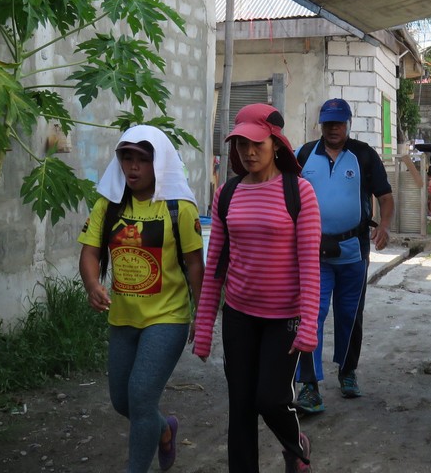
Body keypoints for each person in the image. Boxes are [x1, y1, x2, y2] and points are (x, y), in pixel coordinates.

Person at [193, 103, 321, 473]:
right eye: (241, 144)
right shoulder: (227, 194)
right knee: (241, 407)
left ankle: (295, 444)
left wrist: (309, 325)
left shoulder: (299, 193)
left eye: (257, 144)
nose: (248, 152)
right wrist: (204, 327)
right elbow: (216, 265)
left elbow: (309, 265)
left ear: (276, 144)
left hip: (284, 318)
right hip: (238, 315)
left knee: (270, 399)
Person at [78, 125, 204, 473]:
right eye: (126, 158)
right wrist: (92, 284)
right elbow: (90, 252)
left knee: (142, 395)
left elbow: (195, 264)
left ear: (159, 163)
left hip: (167, 317)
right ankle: (164, 429)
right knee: (123, 401)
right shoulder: (108, 205)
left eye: (142, 160)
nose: (132, 167)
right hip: (123, 317)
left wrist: (202, 313)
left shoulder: (179, 208)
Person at [293, 98, 394, 414]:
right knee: (311, 315)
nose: (333, 128)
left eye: (338, 123)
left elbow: (385, 197)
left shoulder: (363, 155)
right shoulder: (304, 155)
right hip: (314, 253)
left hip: (353, 252)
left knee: (350, 314)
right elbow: (287, 194)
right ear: (321, 124)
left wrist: (384, 227)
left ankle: (347, 372)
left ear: (348, 124)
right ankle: (309, 386)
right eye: (328, 123)